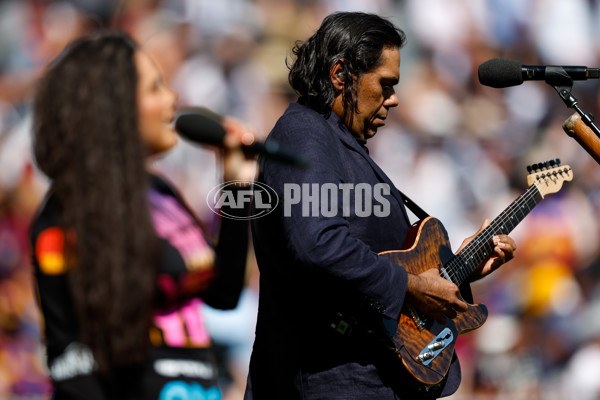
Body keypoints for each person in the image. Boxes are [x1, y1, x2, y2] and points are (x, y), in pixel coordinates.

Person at [245, 12, 517, 400]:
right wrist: (412, 285)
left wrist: (458, 268)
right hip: (325, 380)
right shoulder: (304, 132)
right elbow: (317, 244)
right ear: (341, 75)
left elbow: (369, 267)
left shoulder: (335, 142)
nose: (394, 99)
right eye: (385, 85)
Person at [29, 32, 257, 398]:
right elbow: (72, 365)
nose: (173, 99)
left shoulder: (160, 192)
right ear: (112, 107)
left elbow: (224, 293)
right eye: (156, 88)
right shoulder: (64, 215)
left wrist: (236, 188)